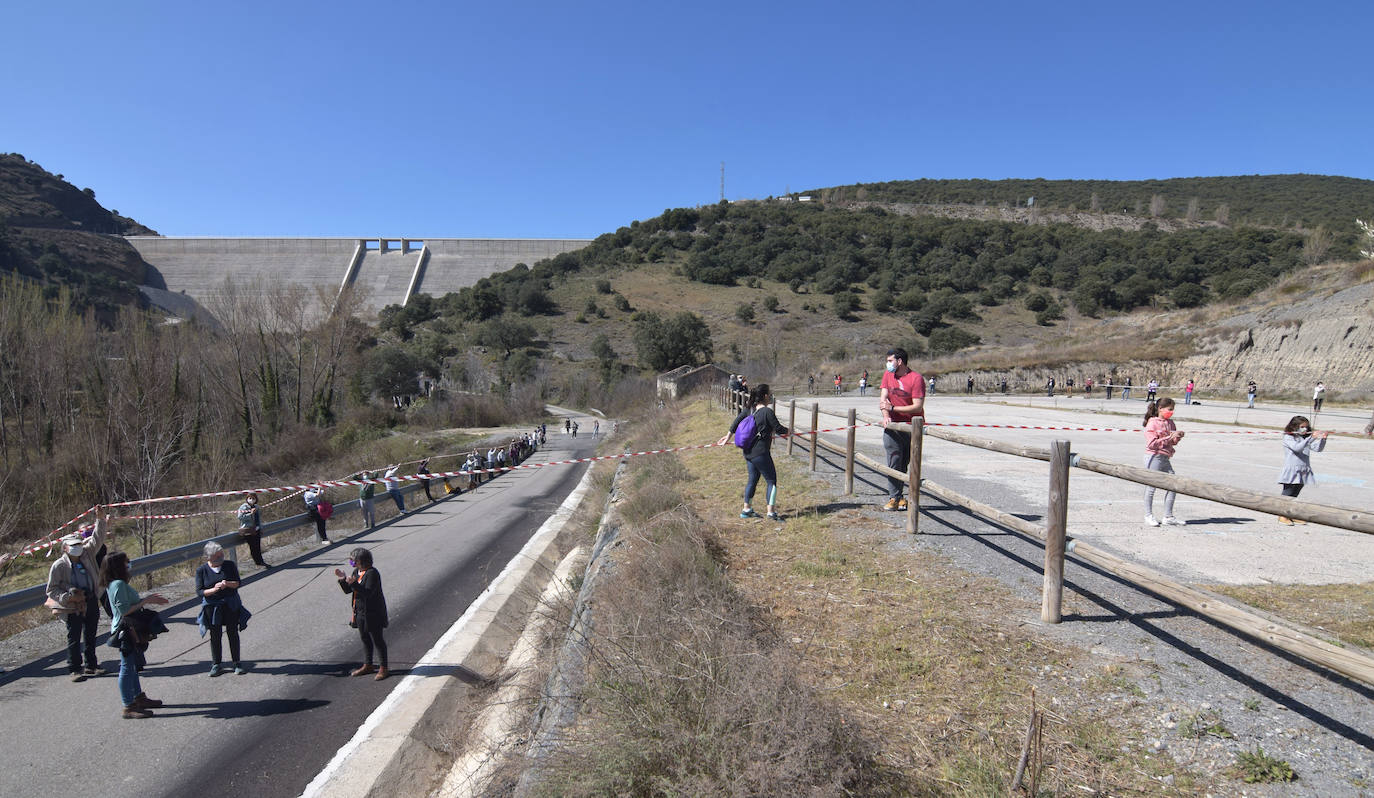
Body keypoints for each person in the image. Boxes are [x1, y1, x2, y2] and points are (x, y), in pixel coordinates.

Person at [103, 550, 168, 719]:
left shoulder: (117, 584)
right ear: (119, 566)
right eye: (126, 562)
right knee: (126, 667)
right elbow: (124, 610)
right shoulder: (117, 584)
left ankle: (138, 698)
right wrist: (146, 601)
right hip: (125, 630)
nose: (129, 564)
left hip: (130, 628)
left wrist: (146, 600)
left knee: (132, 666)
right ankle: (128, 705)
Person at [46, 516, 110, 681]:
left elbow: (98, 538)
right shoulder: (59, 565)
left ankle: (91, 665)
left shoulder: (87, 555)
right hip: (73, 605)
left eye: (79, 544)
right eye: (73, 546)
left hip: (91, 600)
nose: (77, 548)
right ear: (65, 548)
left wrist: (101, 521)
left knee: (91, 635)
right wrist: (67, 597)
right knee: (73, 637)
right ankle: (74, 668)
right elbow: (51, 590)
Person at [717, 384, 789, 521]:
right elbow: (778, 429)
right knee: (771, 480)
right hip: (761, 453)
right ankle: (771, 512)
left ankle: (746, 509)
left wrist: (727, 438)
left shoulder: (748, 409)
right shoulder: (767, 412)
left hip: (748, 452)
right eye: (770, 393)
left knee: (752, 480)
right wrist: (790, 431)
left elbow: (735, 423)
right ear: (766, 396)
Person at [878, 347, 925, 512]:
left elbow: (917, 406)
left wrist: (893, 408)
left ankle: (902, 496)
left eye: (890, 361)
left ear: (900, 361)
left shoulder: (916, 379)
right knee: (894, 460)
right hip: (892, 427)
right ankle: (894, 497)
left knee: (905, 463)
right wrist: (886, 415)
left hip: (912, 427)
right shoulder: (887, 375)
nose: (888, 364)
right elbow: (883, 399)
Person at [335, 548, 389, 680]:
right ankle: (368, 664)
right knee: (365, 639)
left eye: (353, 560)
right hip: (359, 612)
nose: (351, 562)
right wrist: (343, 579)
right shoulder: (356, 571)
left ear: (361, 561)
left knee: (378, 640)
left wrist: (353, 583)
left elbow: (367, 592)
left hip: (373, 613)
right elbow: (349, 590)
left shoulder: (372, 573)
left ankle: (383, 668)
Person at [196, 542, 249, 676]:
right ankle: (216, 664)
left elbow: (238, 583)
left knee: (232, 632)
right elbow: (200, 592)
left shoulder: (229, 565)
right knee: (215, 635)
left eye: (221, 556)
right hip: (212, 606)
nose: (220, 559)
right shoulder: (201, 570)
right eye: (216, 557)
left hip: (230, 604)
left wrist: (227, 584)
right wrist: (214, 589)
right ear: (208, 558)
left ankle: (237, 662)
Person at [1142, 398, 1186, 527]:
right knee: (1151, 486)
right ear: (1160, 409)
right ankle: (1148, 515)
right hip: (1153, 456)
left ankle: (1168, 516)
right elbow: (1151, 443)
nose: (1171, 412)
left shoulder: (1170, 423)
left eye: (1173, 410)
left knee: (1173, 485)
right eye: (1169, 409)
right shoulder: (1152, 423)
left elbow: (1172, 442)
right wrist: (1169, 437)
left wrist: (1177, 437)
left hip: (1165, 457)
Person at [1276, 416, 1328, 525]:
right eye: (1302, 427)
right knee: (1288, 493)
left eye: (1306, 427)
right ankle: (1282, 515)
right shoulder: (1288, 437)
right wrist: (1311, 438)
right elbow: (1297, 448)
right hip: (1292, 469)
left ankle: (1290, 514)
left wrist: (1323, 439)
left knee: (1295, 493)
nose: (1305, 429)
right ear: (1295, 426)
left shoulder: (1304, 438)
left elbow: (1318, 449)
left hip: (1303, 469)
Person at [236, 493, 269, 568]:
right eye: (250, 498)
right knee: (253, 547)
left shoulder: (256, 507)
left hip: (256, 529)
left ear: (256, 499)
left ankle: (261, 562)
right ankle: (258, 563)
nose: (251, 500)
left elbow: (258, 518)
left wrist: (261, 528)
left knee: (257, 547)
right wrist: (250, 514)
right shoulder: (243, 507)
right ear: (247, 499)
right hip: (248, 530)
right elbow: (240, 517)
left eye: (253, 498)